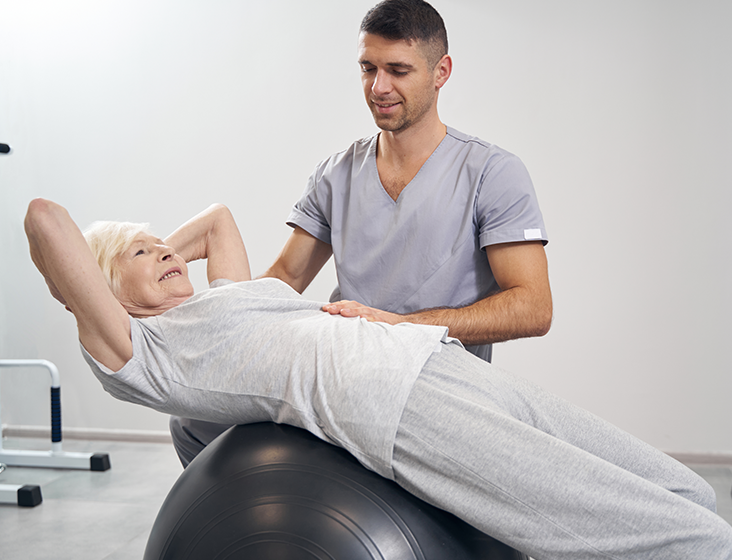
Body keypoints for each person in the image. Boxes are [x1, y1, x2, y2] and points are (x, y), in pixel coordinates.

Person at [24, 198, 732, 560]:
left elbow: (217, 220)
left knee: (685, 492)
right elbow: (44, 220)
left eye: (162, 245)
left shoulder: (225, 297)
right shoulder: (142, 350)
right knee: (676, 537)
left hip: (433, 359)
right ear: (98, 292)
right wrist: (103, 279)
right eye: (142, 254)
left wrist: (148, 253)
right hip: (391, 408)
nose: (165, 251)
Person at [170, 0, 554, 467]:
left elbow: (533, 307)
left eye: (398, 70)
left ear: (441, 72)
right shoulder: (336, 173)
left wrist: (400, 327)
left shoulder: (492, 173)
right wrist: (201, 324)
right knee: (192, 421)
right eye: (368, 68)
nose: (379, 87)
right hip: (340, 373)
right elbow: (286, 277)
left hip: (431, 388)